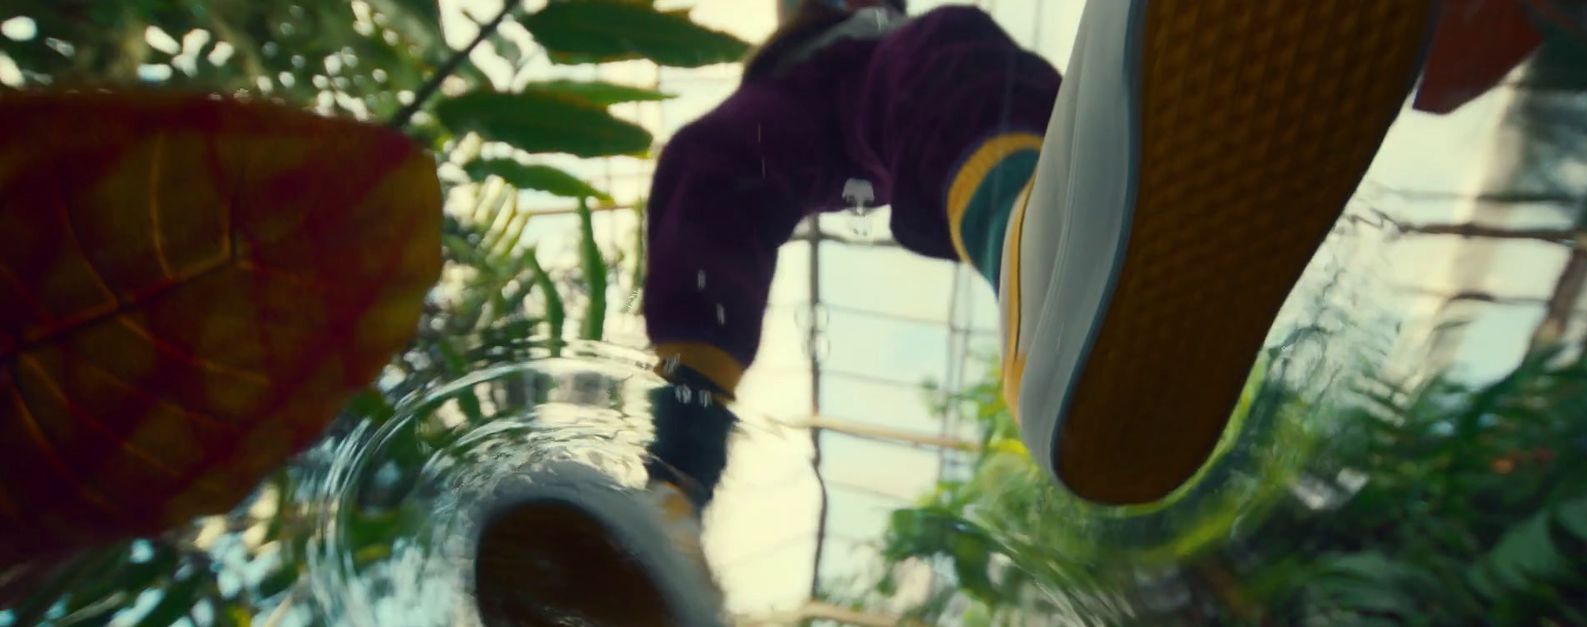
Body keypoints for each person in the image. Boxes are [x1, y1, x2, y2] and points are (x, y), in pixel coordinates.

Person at [474, 1, 1435, 624]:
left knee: (898, 92)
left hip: (852, 78)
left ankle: (1050, 261)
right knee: (908, 95)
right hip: (826, 81)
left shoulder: (884, 46)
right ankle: (670, 512)